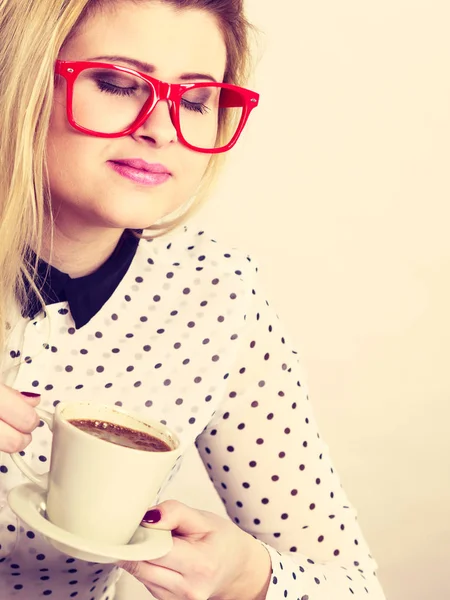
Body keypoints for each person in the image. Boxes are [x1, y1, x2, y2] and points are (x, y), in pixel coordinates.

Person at [0, 0, 387, 598]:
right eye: (116, 83)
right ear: (19, 79)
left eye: (196, 100)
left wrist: (247, 575)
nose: (160, 128)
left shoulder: (215, 298)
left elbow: (353, 586)